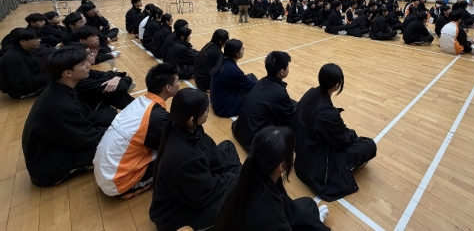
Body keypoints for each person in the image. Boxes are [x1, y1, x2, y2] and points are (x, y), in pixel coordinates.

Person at [22, 45, 115, 187]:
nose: (88, 65)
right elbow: (87, 138)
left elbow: (87, 114)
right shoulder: (59, 104)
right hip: (47, 169)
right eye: (83, 64)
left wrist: (114, 118)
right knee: (116, 142)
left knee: (109, 116)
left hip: (55, 147)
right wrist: (116, 130)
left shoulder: (60, 88)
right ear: (68, 73)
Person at [149, 88, 241, 231]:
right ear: (191, 119)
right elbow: (204, 194)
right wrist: (233, 178)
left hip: (196, 185)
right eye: (205, 110)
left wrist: (238, 174)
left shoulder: (189, 128)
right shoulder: (184, 156)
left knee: (228, 147)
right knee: (235, 198)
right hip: (177, 215)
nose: (208, 111)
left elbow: (214, 153)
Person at [215, 126, 330, 231]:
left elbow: (289, 209)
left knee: (309, 204)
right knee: (310, 213)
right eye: (292, 151)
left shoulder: (250, 169)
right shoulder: (270, 218)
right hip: (265, 222)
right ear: (282, 166)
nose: (294, 153)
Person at [291, 64, 377, 202]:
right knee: (369, 145)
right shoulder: (327, 113)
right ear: (336, 86)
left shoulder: (311, 93)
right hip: (317, 168)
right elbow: (342, 139)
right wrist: (352, 135)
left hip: (302, 161)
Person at [93, 63, 178, 199]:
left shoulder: (141, 102)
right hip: (117, 184)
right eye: (178, 81)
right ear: (168, 87)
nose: (179, 84)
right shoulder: (156, 117)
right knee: (175, 159)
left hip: (105, 170)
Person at [232, 51, 296, 152]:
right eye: (287, 67)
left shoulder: (263, 81)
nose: (288, 69)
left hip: (241, 131)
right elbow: (288, 116)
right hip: (253, 140)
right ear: (281, 72)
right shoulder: (278, 92)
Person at [74, 42, 134, 110]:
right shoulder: (80, 83)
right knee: (113, 92)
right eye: (89, 53)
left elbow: (114, 75)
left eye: (91, 51)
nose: (92, 54)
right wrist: (124, 78)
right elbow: (120, 86)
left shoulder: (87, 72)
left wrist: (117, 78)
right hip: (94, 110)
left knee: (112, 87)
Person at [210, 40, 258, 117]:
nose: (243, 50)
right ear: (236, 53)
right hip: (225, 108)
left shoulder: (222, 60)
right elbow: (249, 85)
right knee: (256, 90)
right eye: (242, 49)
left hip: (218, 101)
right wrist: (264, 84)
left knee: (251, 76)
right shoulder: (233, 70)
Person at [0, 28, 48, 99]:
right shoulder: (14, 58)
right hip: (22, 91)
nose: (39, 40)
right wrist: (49, 76)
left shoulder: (28, 50)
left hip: (34, 80)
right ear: (23, 42)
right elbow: (24, 83)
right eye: (36, 39)